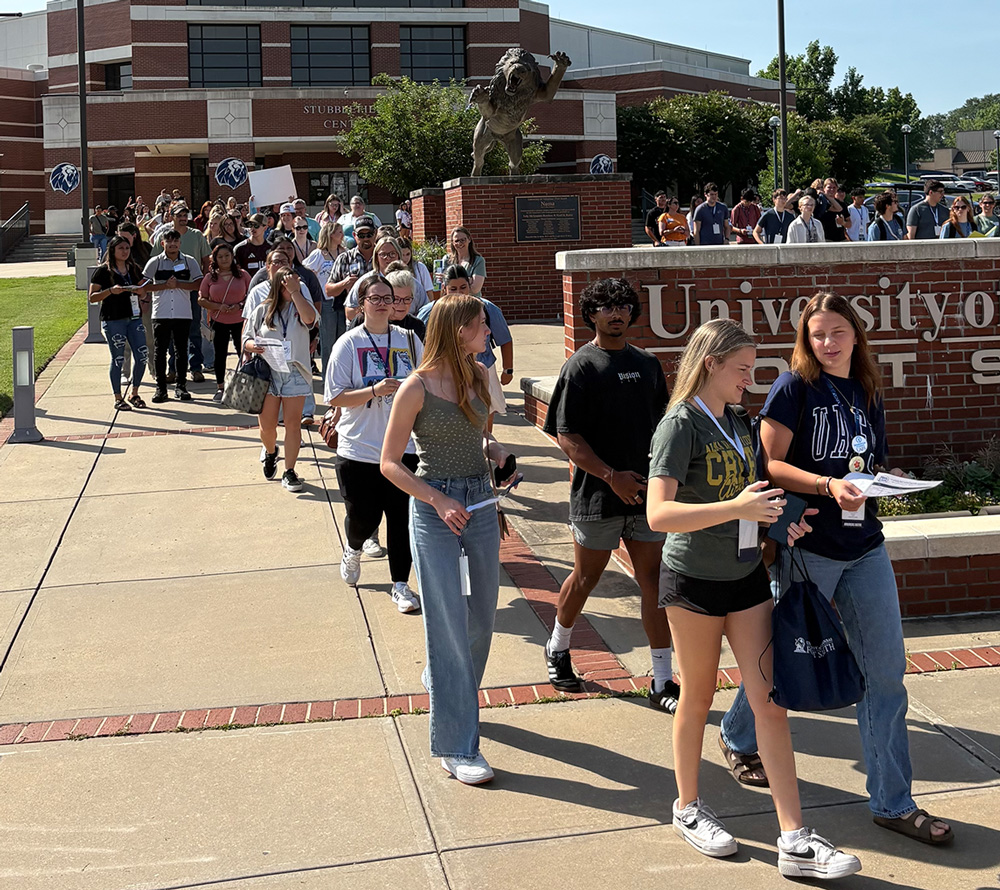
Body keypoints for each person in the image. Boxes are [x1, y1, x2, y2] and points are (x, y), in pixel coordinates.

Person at [718, 293, 955, 848]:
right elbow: (769, 462)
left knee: (886, 675)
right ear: (806, 338)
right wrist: (827, 486)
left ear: (856, 334)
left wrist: (885, 477)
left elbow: (866, 460)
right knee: (783, 659)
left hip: (865, 547)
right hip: (809, 549)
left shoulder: (865, 388)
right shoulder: (793, 387)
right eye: (818, 334)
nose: (827, 343)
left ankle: (893, 803)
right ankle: (737, 733)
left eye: (838, 333)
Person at [646, 317, 861, 879]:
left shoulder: (741, 423)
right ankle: (687, 807)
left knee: (769, 701)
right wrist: (738, 510)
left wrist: (775, 521)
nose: (750, 378)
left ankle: (794, 836)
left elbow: (754, 492)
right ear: (711, 363)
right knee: (696, 697)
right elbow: (658, 514)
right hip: (691, 582)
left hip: (744, 579)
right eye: (741, 368)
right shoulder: (678, 425)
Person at [381, 293, 514, 786]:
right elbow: (390, 463)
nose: (490, 334)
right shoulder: (414, 388)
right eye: (482, 325)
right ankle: (457, 743)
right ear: (457, 329)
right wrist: (437, 500)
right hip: (436, 509)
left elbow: (478, 436)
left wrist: (498, 452)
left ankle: (445, 683)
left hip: (480, 502)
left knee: (481, 618)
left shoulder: (480, 374)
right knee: (447, 625)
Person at [541, 278, 678, 708]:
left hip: (644, 497)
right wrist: (610, 474)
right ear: (591, 315)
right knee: (586, 578)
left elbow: (665, 429)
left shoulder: (649, 364)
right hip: (597, 497)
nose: (615, 313)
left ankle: (661, 681)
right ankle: (558, 647)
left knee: (653, 584)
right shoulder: (581, 367)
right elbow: (567, 435)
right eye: (605, 307)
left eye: (622, 305)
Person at [325, 274, 423, 611]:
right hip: (360, 447)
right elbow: (335, 397)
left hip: (403, 449)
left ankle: (401, 585)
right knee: (363, 518)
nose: (383, 303)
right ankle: (353, 550)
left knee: (401, 519)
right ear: (362, 303)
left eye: (388, 298)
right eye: (375, 298)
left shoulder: (410, 340)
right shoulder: (348, 344)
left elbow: (427, 381)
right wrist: (373, 391)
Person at [243, 266, 317, 492]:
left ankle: (290, 470)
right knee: (267, 426)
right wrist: (253, 346)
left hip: (295, 370)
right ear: (277, 285)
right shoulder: (262, 310)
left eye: (295, 281)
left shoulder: (301, 306)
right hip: (268, 370)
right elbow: (246, 338)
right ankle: (271, 451)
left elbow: (310, 319)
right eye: (287, 282)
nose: (293, 285)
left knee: (293, 425)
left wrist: (296, 292)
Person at [420, 265, 513, 427]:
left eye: (463, 287)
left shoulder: (486, 308)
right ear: (444, 289)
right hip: (443, 371)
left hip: (482, 367)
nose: (459, 293)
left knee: (485, 411)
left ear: (470, 286)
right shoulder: (432, 311)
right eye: (453, 288)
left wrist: (508, 369)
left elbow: (505, 339)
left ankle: (485, 448)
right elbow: (417, 341)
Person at [142, 229, 203, 403]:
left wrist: (179, 284)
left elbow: (199, 283)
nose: (172, 244)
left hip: (182, 313)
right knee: (160, 351)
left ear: (180, 243)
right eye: (169, 241)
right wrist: (164, 286)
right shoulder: (155, 262)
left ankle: (181, 386)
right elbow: (143, 286)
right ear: (162, 243)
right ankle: (161, 388)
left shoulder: (189, 261)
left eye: (175, 241)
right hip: (160, 312)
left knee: (181, 351)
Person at [89, 235, 149, 411]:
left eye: (127, 248)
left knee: (142, 355)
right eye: (121, 248)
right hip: (113, 319)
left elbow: (143, 291)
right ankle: (117, 397)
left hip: (134, 318)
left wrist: (140, 292)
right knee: (118, 358)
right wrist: (110, 291)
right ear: (112, 250)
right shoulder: (103, 271)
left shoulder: (133, 269)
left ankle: (135, 392)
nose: (125, 251)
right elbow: (92, 297)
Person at [198, 243, 252, 402]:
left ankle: (246, 388)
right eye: (220, 257)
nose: (224, 259)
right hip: (218, 320)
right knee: (219, 355)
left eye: (227, 256)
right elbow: (201, 299)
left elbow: (252, 295)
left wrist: (240, 305)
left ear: (232, 257)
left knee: (244, 354)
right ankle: (221, 387)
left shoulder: (243, 275)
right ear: (214, 259)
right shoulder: (209, 277)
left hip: (240, 321)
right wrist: (218, 306)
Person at [325, 215, 376, 343]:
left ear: (375, 234)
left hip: (380, 315)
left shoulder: (382, 256)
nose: (365, 239)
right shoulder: (345, 259)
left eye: (369, 234)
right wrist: (344, 283)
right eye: (361, 235)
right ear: (354, 235)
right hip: (354, 317)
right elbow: (328, 290)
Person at [345, 236, 400, 321]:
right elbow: (350, 311)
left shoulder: (409, 281)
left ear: (399, 256)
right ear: (376, 257)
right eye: (383, 254)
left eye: (392, 254)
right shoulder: (366, 280)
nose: (388, 258)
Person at [397, 237, 434, 312]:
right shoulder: (393, 270)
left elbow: (429, 292)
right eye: (402, 255)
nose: (405, 258)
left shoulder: (420, 267)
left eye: (408, 254)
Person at [234, 213, 271, 277]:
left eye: (256, 225)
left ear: (265, 228)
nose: (252, 228)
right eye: (250, 225)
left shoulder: (271, 248)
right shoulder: (240, 249)